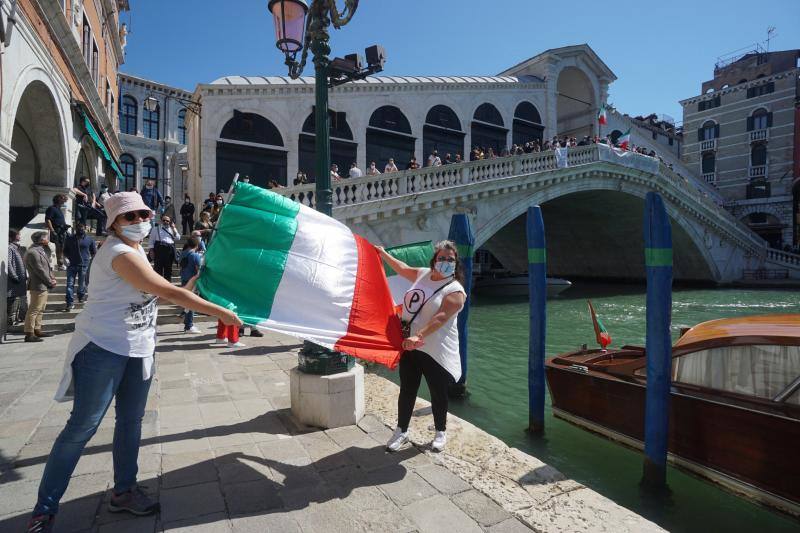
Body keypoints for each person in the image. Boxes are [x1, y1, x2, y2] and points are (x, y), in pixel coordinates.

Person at [25, 192, 242, 533]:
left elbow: (162, 292)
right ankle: (44, 510)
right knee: (82, 428)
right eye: (130, 217)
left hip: (139, 346)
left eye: (143, 213)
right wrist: (222, 313)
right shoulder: (118, 252)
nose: (140, 220)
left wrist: (199, 280)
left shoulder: (137, 249)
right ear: (112, 223)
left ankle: (124, 492)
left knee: (131, 422)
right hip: (102, 347)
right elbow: (167, 293)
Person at [376, 240, 466, 453]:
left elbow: (441, 317)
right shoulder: (424, 274)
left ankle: (440, 432)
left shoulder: (455, 291)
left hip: (435, 349)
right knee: (407, 389)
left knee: (438, 392)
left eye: (450, 260)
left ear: (456, 263)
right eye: (441, 258)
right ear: (434, 260)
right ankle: (401, 431)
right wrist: (382, 253)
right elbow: (402, 268)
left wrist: (419, 335)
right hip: (410, 345)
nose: (445, 262)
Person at [23, 231, 57, 343]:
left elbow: (47, 267)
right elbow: (39, 270)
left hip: (44, 284)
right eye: (46, 238)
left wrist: (52, 278)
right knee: (34, 309)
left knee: (41, 309)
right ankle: (29, 333)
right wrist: (49, 282)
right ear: (41, 240)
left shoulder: (40, 250)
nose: (48, 239)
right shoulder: (32, 252)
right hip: (38, 284)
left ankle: (37, 329)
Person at [62, 224, 97, 311]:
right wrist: (68, 258)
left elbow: (94, 252)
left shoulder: (89, 239)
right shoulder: (69, 238)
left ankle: (81, 296)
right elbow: (65, 250)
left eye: (82, 228)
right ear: (75, 229)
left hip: (84, 265)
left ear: (85, 229)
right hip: (72, 265)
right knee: (69, 284)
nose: (80, 229)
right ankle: (69, 303)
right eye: (78, 228)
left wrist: (88, 259)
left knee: (82, 284)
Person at [179, 238, 203, 334]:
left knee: (187, 303)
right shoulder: (195, 255)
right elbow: (198, 270)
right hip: (192, 281)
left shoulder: (183, 253)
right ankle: (189, 326)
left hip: (184, 280)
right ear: (197, 245)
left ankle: (187, 323)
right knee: (191, 303)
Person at [147, 214, 180, 281]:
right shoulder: (156, 228)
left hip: (169, 250)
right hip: (159, 249)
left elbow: (178, 238)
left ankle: (167, 285)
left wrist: (174, 228)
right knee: (158, 269)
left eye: (167, 221)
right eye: (164, 220)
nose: (165, 222)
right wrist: (151, 251)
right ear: (161, 221)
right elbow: (151, 240)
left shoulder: (172, 229)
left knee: (168, 269)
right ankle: (158, 285)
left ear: (170, 221)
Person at [7, 229, 28, 327]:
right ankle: (11, 320)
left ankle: (21, 318)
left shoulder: (18, 248)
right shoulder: (10, 248)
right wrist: (14, 276)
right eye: (18, 234)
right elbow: (8, 264)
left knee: (22, 299)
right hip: (15, 280)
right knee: (13, 299)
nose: (20, 235)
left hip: (22, 279)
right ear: (13, 236)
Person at [45, 194, 69, 270]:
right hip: (56, 231)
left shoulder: (59, 209)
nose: (64, 200)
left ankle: (62, 263)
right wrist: (52, 230)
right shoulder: (51, 208)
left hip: (62, 231)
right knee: (59, 248)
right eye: (62, 199)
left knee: (62, 247)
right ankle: (60, 265)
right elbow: (48, 220)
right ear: (58, 199)